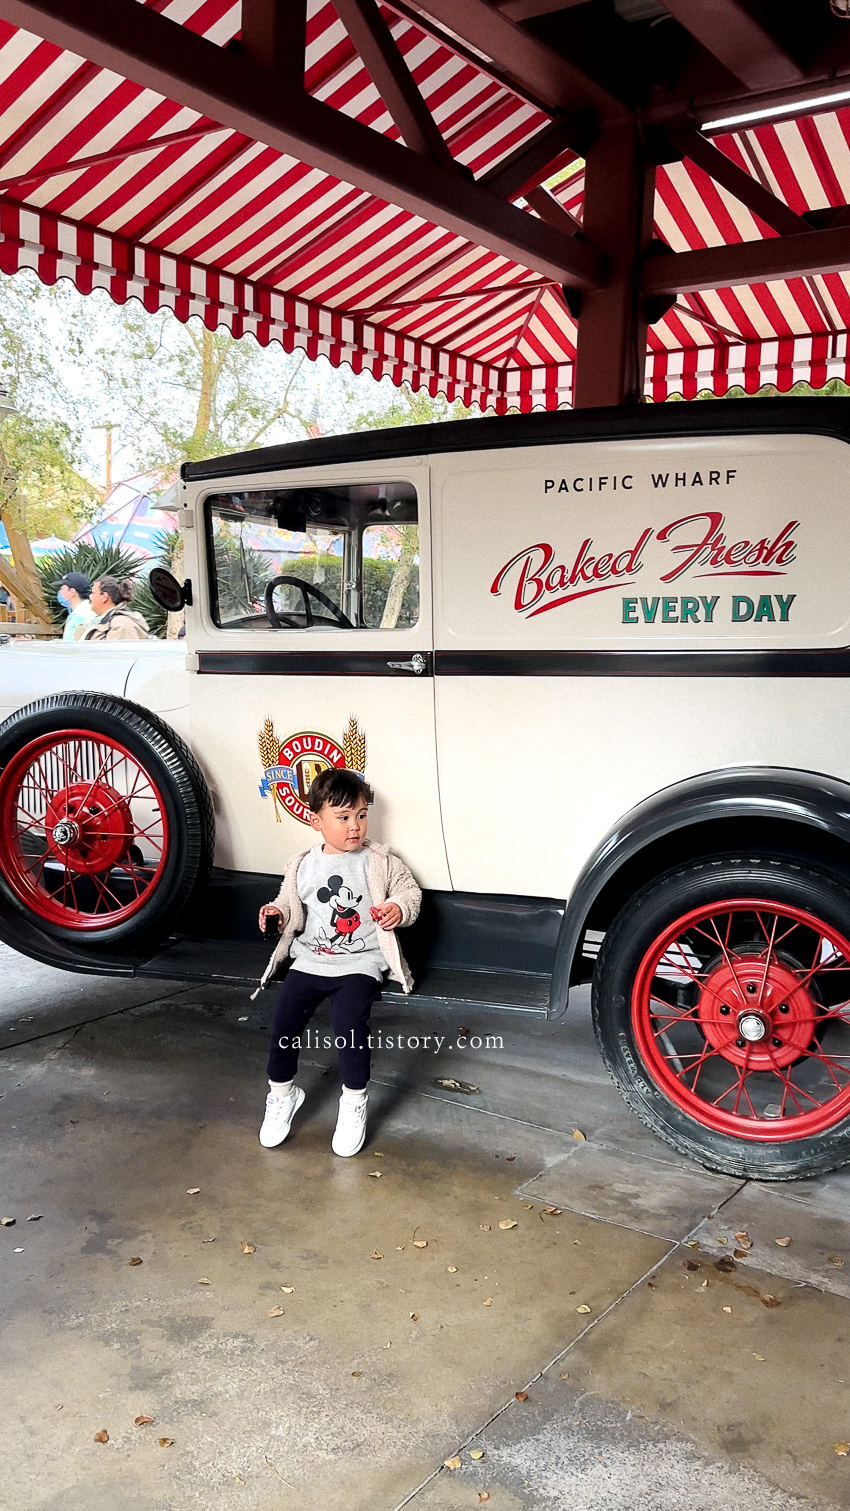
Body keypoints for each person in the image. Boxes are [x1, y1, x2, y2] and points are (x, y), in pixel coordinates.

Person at [257, 767, 421, 1157]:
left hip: (359, 963)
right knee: (284, 1022)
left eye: (362, 815)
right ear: (316, 820)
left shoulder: (379, 861)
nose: (355, 827)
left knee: (348, 1025)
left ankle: (353, 1101)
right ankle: (282, 1094)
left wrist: (398, 908)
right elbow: (288, 903)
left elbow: (409, 892)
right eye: (343, 817)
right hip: (310, 959)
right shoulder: (302, 865)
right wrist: (275, 914)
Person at [83, 576, 149, 641]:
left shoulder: (121, 624)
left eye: (93, 593)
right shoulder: (113, 621)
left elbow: (117, 651)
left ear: (104, 597)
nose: (90, 596)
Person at [56, 572, 97, 641]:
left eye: (62, 589)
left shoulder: (82, 615)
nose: (60, 592)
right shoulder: (79, 611)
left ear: (72, 592)